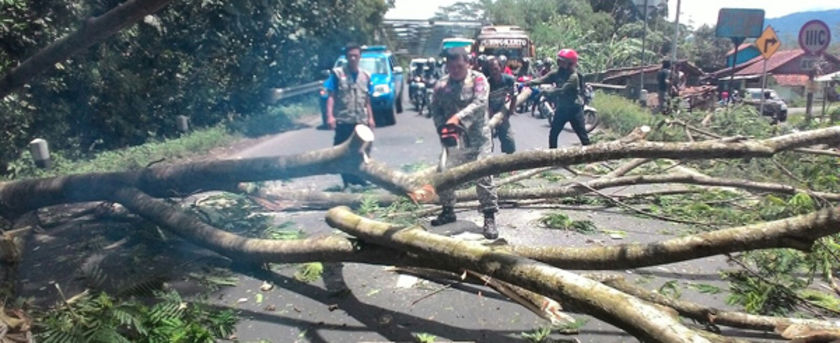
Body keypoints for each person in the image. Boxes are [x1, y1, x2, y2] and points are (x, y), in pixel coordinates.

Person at [429, 47, 500, 239]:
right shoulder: (442, 85)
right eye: (451, 67)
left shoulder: (478, 80)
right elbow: (435, 108)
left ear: (467, 63)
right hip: (455, 139)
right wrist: (441, 128)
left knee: (483, 173)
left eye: (459, 66)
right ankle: (448, 210)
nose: (455, 70)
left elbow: (480, 103)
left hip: (478, 138)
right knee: (443, 172)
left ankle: (489, 215)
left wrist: (457, 118)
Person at [325, 43, 376, 189]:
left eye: (356, 55)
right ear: (346, 57)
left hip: (360, 121)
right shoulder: (337, 74)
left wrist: (371, 118)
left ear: (360, 57)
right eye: (350, 56)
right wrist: (330, 116)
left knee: (362, 151)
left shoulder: (366, 76)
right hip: (343, 120)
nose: (353, 58)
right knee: (341, 152)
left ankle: (359, 179)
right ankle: (347, 181)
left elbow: (367, 100)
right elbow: (331, 96)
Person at [528, 48, 589, 147]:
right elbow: (542, 79)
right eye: (559, 61)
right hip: (562, 108)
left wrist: (545, 91)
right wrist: (527, 83)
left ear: (570, 63)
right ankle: (553, 156)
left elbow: (561, 90)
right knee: (553, 134)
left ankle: (590, 157)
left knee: (583, 136)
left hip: (574, 109)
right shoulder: (557, 73)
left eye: (563, 62)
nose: (560, 63)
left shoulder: (574, 77)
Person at [483, 57, 516, 154]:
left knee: (509, 141)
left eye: (496, 69)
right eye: (491, 70)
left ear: (501, 68)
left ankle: (510, 165)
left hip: (502, 110)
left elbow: (514, 96)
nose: (494, 72)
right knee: (487, 143)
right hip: (487, 112)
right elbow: (484, 100)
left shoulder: (509, 80)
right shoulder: (486, 83)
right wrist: (489, 111)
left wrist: (510, 112)